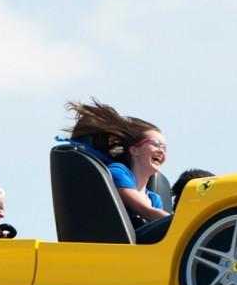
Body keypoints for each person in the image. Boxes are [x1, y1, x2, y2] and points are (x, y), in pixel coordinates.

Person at [66, 99, 172, 242]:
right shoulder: (118, 172)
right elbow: (146, 212)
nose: (161, 151)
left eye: (164, 148)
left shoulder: (154, 199)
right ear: (134, 150)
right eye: (155, 144)